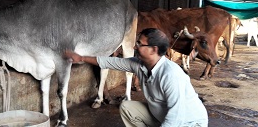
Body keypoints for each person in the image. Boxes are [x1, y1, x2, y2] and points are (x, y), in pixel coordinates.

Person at [64, 28, 208, 127]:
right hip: (164, 116)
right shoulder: (139, 64)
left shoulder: (171, 75)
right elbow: (111, 61)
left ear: (153, 49)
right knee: (127, 107)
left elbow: (176, 116)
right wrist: (81, 57)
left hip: (188, 122)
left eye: (140, 43)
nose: (135, 46)